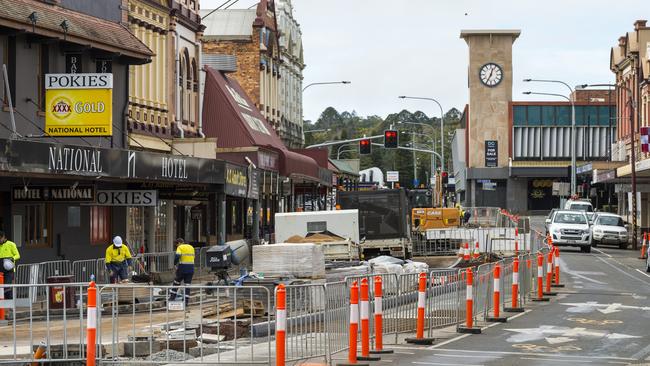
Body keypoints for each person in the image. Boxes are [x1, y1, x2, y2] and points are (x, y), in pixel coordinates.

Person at [169, 238, 195, 305]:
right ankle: (186, 301)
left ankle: (172, 298)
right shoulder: (191, 247)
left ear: (179, 243)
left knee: (176, 282)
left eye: (177, 244)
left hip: (183, 268)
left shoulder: (180, 247)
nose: (177, 246)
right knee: (187, 285)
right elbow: (193, 257)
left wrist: (174, 264)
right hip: (191, 269)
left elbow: (177, 256)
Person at [0, 230, 20, 299]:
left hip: (9, 270)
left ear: (3, 237)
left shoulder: (11, 244)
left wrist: (12, 258)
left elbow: (18, 255)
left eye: (0, 239)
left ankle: (10, 304)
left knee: (7, 287)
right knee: (1, 287)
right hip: (0, 269)